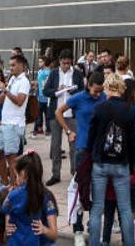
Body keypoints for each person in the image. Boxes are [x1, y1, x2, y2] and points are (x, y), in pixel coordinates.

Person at [86, 73, 135, 246]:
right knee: (125, 210)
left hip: (100, 162)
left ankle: (94, 243)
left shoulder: (99, 107)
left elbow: (91, 136)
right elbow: (133, 142)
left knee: (97, 209)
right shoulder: (129, 110)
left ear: (107, 88)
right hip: (121, 163)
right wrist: (133, 164)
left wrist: (89, 156)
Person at [59, 71, 105, 244]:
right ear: (88, 86)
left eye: (101, 91)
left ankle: (94, 227)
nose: (98, 95)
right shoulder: (78, 98)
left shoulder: (104, 97)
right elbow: (59, 112)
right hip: (82, 149)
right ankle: (77, 230)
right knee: (80, 189)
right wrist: (68, 131)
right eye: (95, 91)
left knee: (97, 190)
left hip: (100, 151)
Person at [43, 50, 84, 185]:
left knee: (74, 146)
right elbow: (45, 91)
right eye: (63, 63)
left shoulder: (77, 74)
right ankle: (56, 174)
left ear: (71, 61)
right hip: (56, 113)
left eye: (68, 63)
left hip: (72, 114)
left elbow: (83, 91)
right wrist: (57, 91)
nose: (66, 65)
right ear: (59, 61)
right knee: (55, 146)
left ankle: (75, 173)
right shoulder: (54, 73)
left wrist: (73, 91)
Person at [0, 153, 59, 246]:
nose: (15, 181)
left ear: (23, 175)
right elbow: (6, 233)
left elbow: (54, 235)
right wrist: (7, 229)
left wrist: (44, 229)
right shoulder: (15, 196)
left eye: (16, 176)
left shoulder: (46, 197)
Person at [0, 54, 32, 186]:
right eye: (10, 65)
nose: (11, 68)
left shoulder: (24, 82)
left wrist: (6, 91)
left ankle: (14, 186)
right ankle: (6, 182)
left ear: (22, 65)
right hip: (5, 123)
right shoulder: (12, 80)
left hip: (15, 125)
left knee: (11, 158)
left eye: (13, 65)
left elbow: (20, 102)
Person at [35, 56, 52, 135]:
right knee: (39, 113)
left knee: (47, 114)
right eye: (39, 61)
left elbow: (46, 83)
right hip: (40, 96)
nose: (39, 63)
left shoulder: (48, 72)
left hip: (46, 97)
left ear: (45, 62)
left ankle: (48, 129)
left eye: (41, 61)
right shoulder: (40, 72)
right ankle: (40, 128)